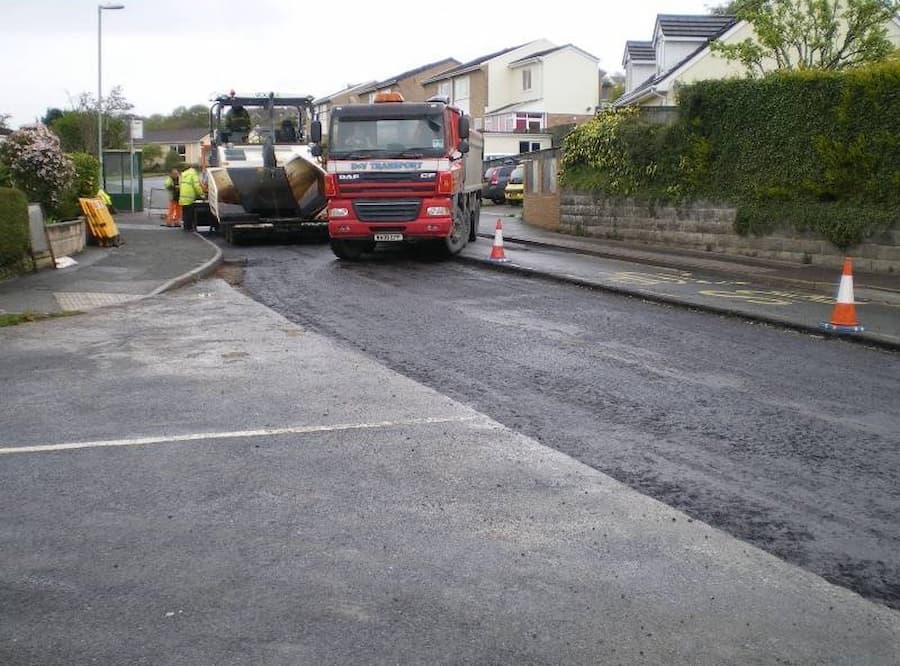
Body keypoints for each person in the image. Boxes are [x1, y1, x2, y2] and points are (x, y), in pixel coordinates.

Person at [179, 163, 205, 231]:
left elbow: (180, 185)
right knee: (189, 213)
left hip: (183, 196)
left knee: (185, 212)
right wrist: (202, 195)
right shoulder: (193, 174)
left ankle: (186, 227)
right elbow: (196, 186)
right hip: (189, 196)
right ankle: (189, 227)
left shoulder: (184, 174)